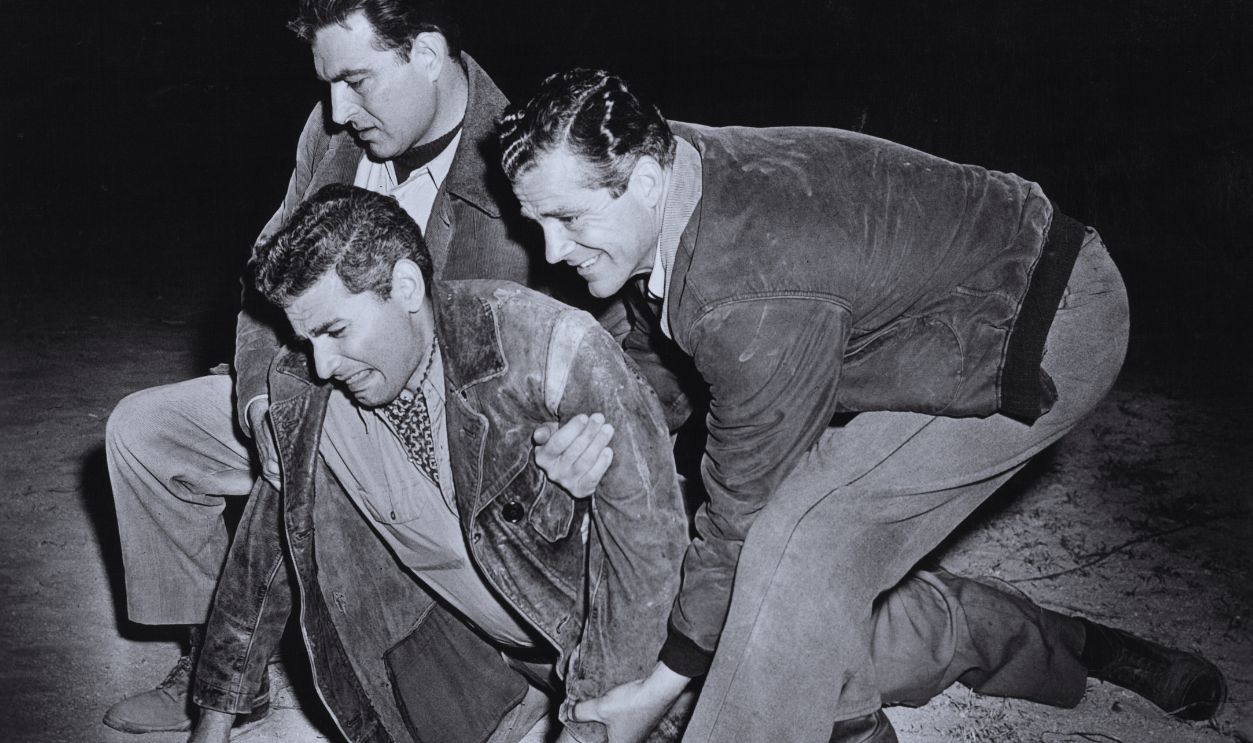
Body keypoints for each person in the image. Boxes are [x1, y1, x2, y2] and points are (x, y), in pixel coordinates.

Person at [499, 68, 1228, 742]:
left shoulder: (749, 285)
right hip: (955, 311)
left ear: (646, 181)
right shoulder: (666, 178)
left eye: (567, 219)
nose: (550, 250)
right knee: (809, 564)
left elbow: (740, 511)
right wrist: (602, 432)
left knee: (800, 535)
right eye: (537, 223)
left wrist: (656, 688)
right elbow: (663, 340)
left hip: (1043, 326)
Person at [101, 0, 608, 733]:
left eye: (357, 80)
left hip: (443, 448)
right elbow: (262, 278)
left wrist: (579, 443)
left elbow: (608, 336)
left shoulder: (522, 159)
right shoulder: (333, 132)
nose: (337, 108)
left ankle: (472, 668)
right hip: (317, 376)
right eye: (328, 84)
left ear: (427, 55)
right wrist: (256, 404)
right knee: (145, 431)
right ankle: (207, 655)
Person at [190, 183, 689, 743]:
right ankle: (510, 703)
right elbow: (265, 555)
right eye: (305, 339)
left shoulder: (548, 345)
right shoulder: (304, 389)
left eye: (335, 331)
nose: (322, 365)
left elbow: (649, 558)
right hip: (468, 654)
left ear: (405, 286)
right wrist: (212, 724)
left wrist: (590, 723)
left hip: (604, 642)